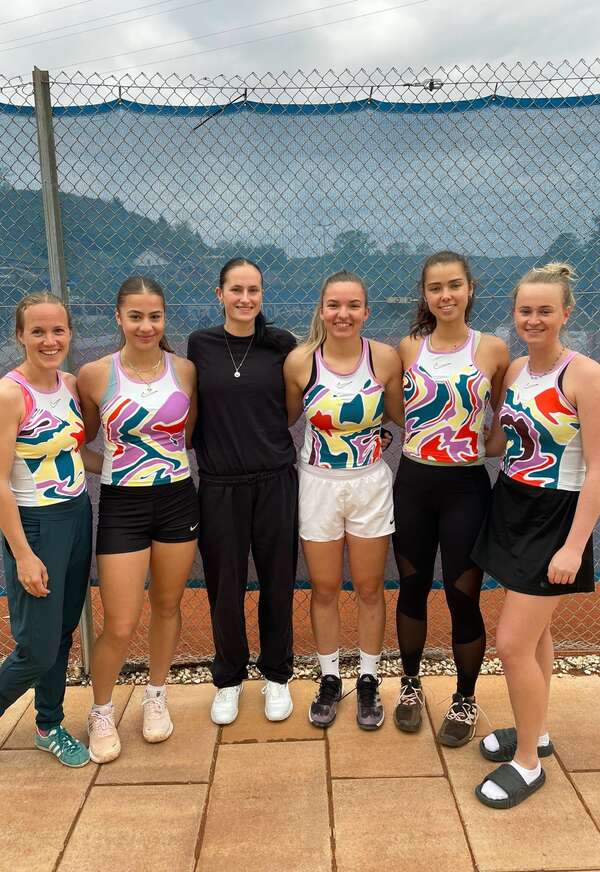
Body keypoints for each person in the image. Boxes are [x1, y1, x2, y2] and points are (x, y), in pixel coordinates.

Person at [473, 263, 600, 808]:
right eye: (525, 310)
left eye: (545, 310)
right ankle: (538, 733)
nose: (534, 319)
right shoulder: (519, 369)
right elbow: (505, 441)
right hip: (512, 504)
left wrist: (573, 546)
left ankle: (527, 763)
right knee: (537, 634)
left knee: (511, 644)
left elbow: (597, 469)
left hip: (555, 516)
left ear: (566, 313)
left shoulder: (585, 375)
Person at [77, 276, 198, 763]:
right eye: (135, 317)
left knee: (167, 605)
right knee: (121, 622)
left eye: (155, 317)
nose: (146, 326)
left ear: (164, 318)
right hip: (122, 505)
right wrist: (112, 465)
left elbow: (186, 436)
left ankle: (156, 696)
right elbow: (80, 440)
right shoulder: (94, 375)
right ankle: (101, 711)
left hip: (177, 500)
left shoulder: (184, 370)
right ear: (118, 318)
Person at [392, 251, 509, 746]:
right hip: (414, 484)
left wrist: (485, 443)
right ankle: (410, 685)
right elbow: (398, 412)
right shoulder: (407, 348)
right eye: (436, 287)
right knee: (412, 588)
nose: (445, 295)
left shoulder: (493, 349)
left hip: (466, 489)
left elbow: (502, 414)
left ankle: (465, 697)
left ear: (470, 289)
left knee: (463, 596)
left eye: (454, 285)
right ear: (424, 294)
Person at [284, 270, 404, 730]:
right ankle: (330, 678)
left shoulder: (384, 358)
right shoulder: (300, 363)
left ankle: (369, 679)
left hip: (370, 485)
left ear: (366, 311)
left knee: (370, 589)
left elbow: (401, 415)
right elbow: (283, 419)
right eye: (334, 305)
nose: (343, 314)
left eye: (353, 305)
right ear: (321, 309)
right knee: (325, 588)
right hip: (317, 485)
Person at [187, 258, 298, 726]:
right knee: (224, 587)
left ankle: (277, 675)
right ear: (220, 294)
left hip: (275, 481)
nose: (245, 298)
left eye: (253, 290)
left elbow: (290, 410)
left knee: (278, 582)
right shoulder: (200, 344)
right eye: (236, 289)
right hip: (220, 485)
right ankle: (228, 679)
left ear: (261, 294)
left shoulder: (281, 345)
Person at [0, 291, 99, 767]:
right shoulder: (10, 393)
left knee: (61, 633)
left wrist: (134, 463)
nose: (49, 340)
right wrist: (22, 553)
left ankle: (48, 724)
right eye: (37, 331)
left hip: (77, 515)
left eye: (58, 330)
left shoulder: (71, 384)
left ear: (70, 334)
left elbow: (75, 451)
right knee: (36, 649)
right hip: (35, 525)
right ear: (20, 335)